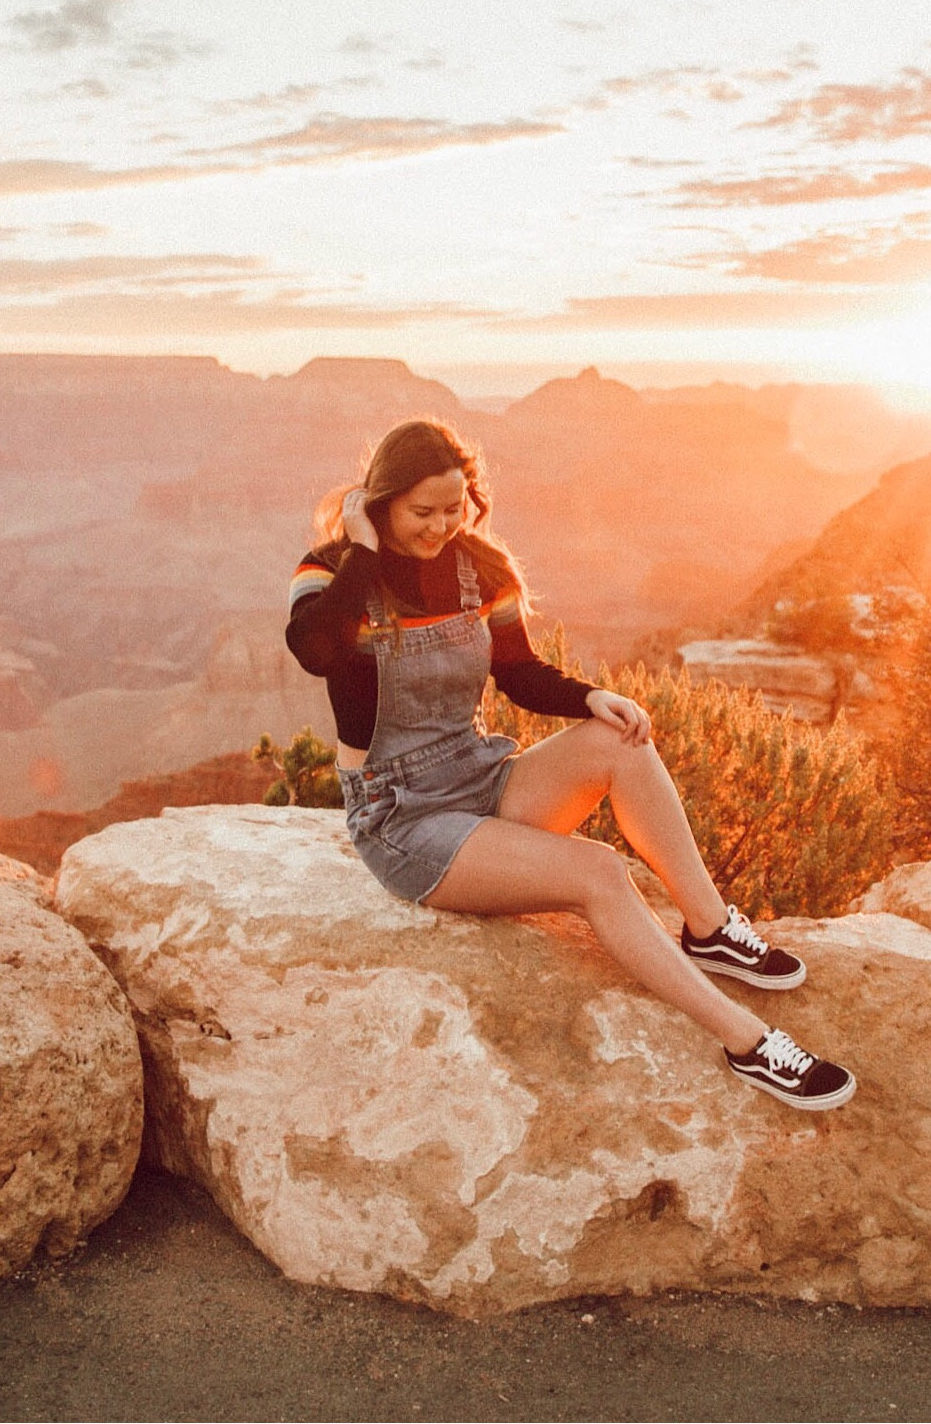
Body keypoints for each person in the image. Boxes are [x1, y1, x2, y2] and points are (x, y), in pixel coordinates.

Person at [284, 417, 855, 1109]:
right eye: (421, 512)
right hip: (403, 815)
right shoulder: (331, 571)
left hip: (478, 772)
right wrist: (365, 552)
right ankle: (751, 1042)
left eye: (454, 507)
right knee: (599, 871)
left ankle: (710, 930)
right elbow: (316, 650)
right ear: (381, 503)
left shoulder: (479, 569)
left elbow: (520, 673)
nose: (441, 527)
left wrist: (591, 697)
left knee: (619, 738)